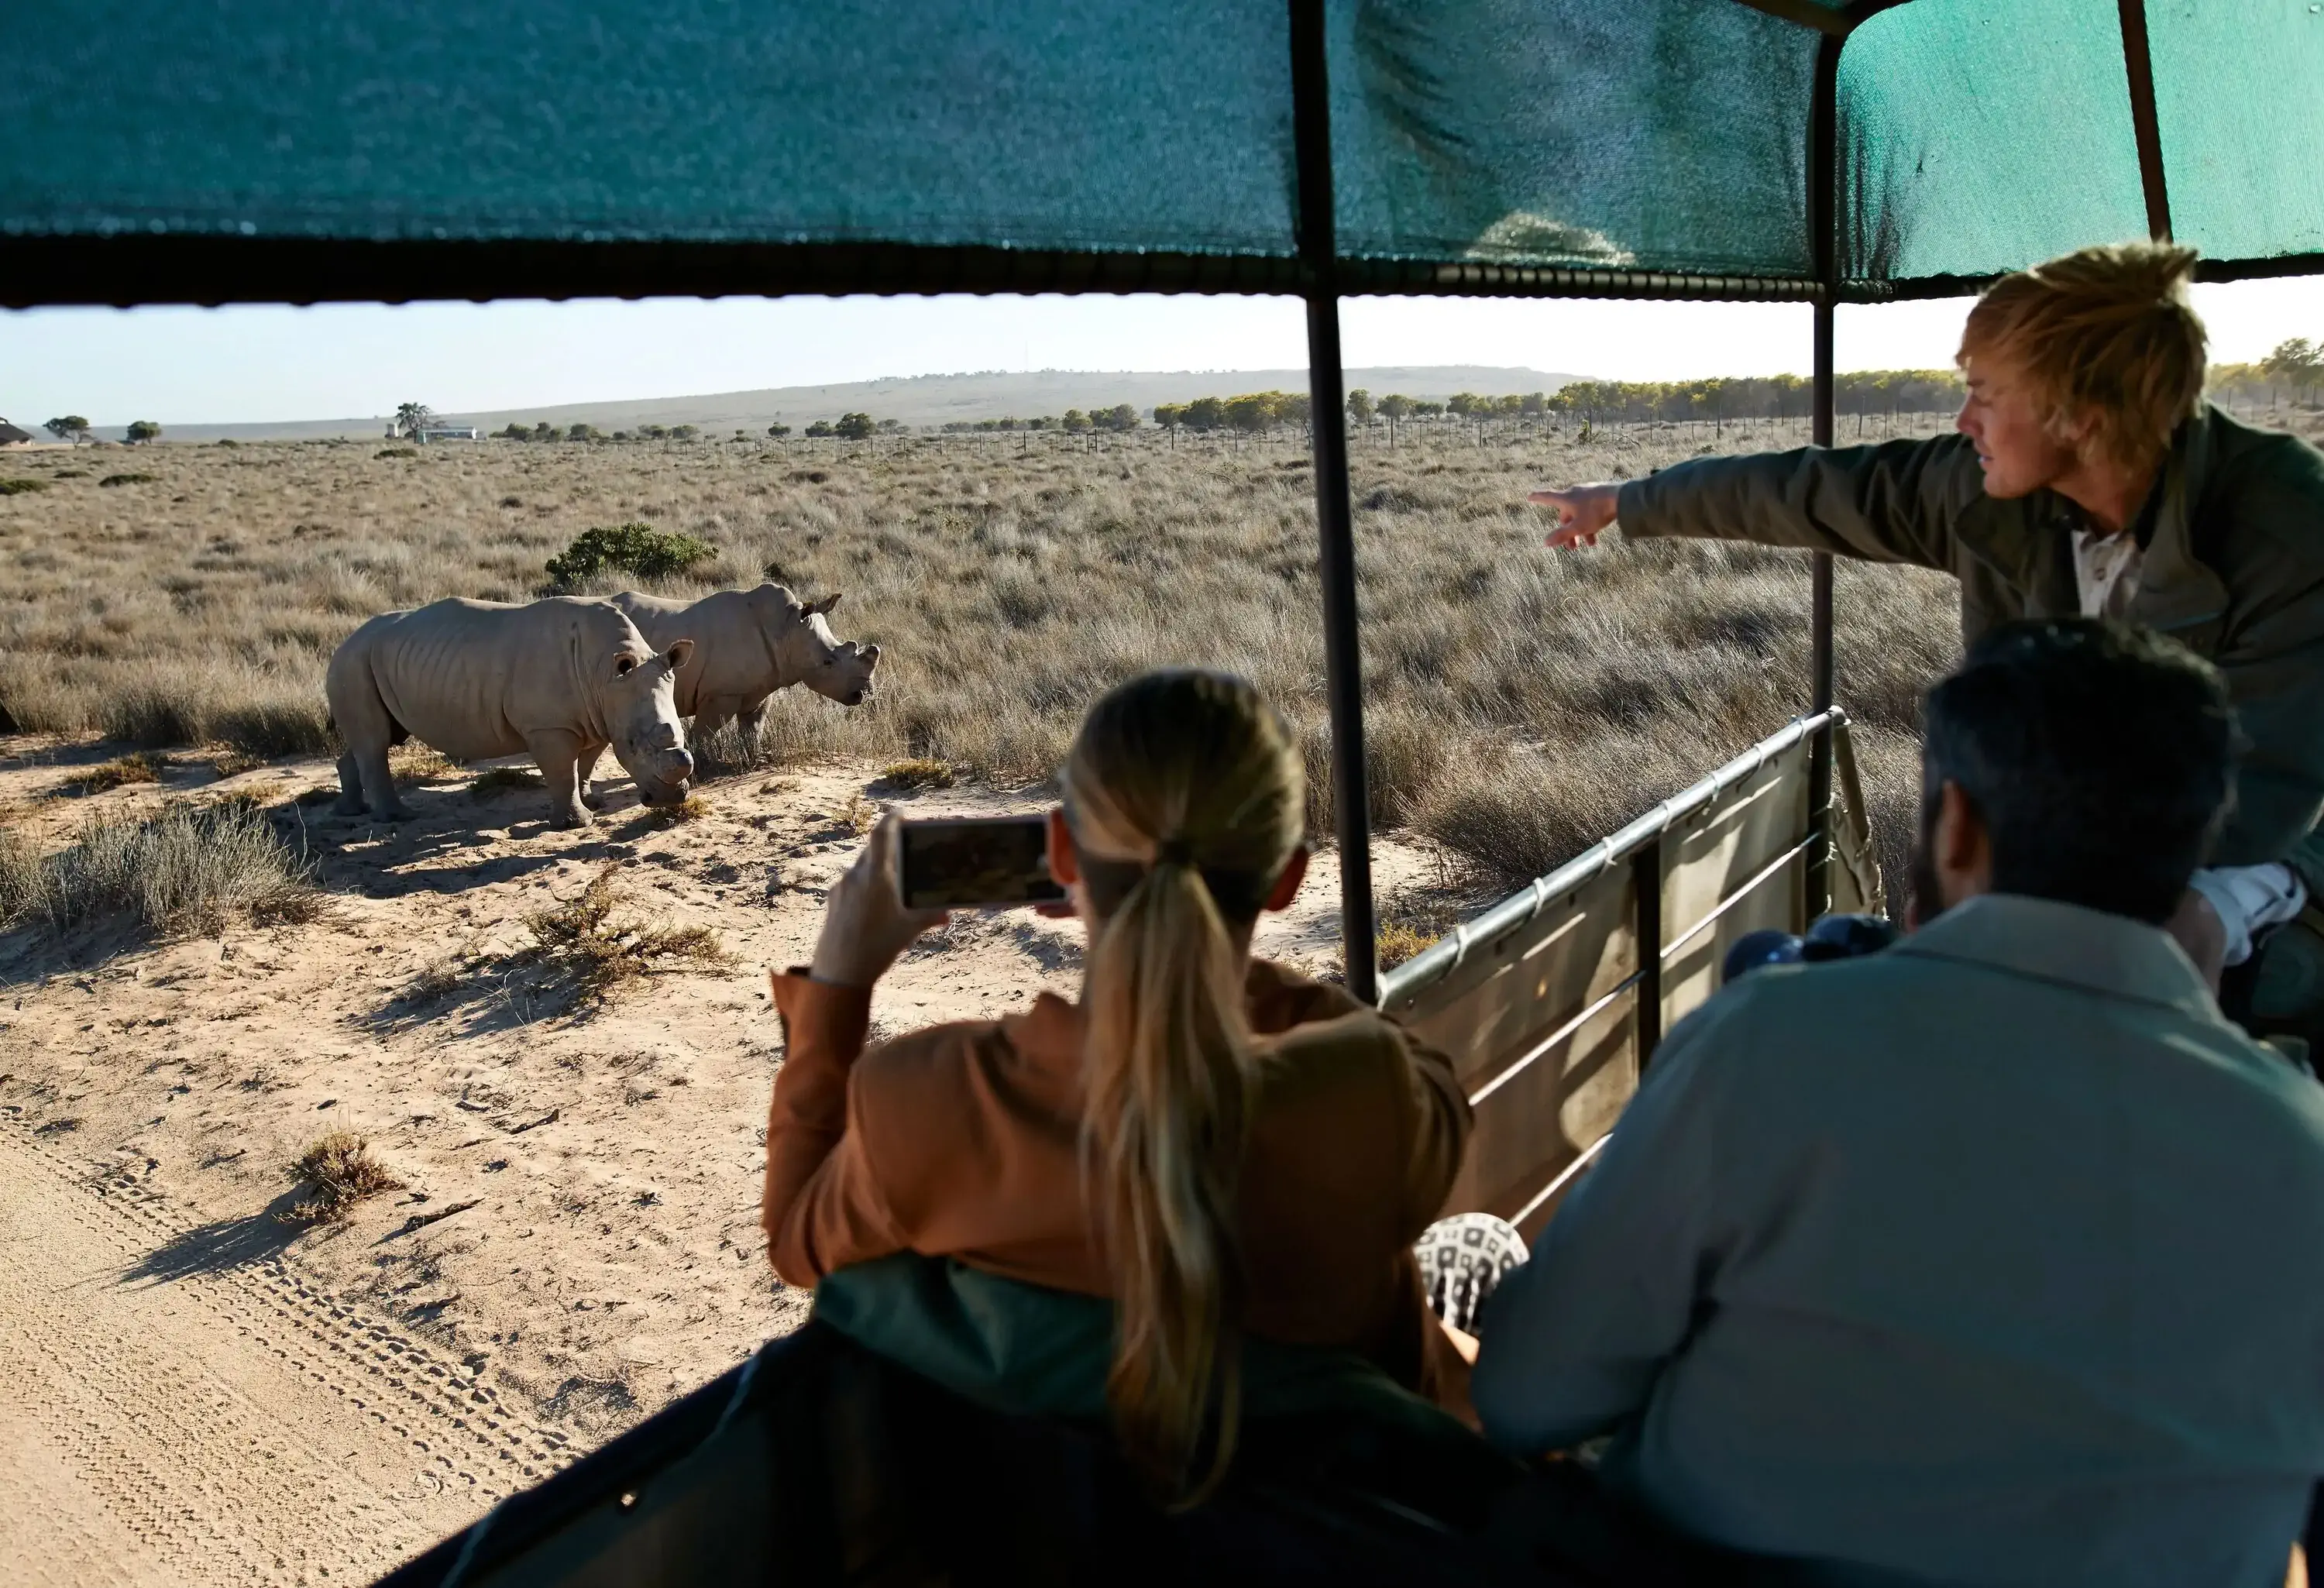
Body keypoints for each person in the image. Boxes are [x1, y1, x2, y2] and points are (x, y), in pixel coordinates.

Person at [1470, 620, 2324, 1586]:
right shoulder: (2300, 1145)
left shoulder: (1769, 1048)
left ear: (1956, 825)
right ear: (2192, 844)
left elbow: (1529, 1394)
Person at [1532, 242, 2324, 1013]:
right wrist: (1627, 502)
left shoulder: (2287, 528)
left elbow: (2260, 794)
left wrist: (2036, 900)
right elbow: (1806, 491)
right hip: (2053, 870)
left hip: (2260, 880)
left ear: (2079, 416)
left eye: (1984, 391)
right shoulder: (1983, 493)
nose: (1962, 418)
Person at [760, 668, 1472, 1502]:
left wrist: (840, 981)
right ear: (1285, 881)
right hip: (1342, 1540)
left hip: (1061, 1537)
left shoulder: (920, 1101)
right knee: (1477, 1255)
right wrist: (1202, 951)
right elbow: (1419, 1079)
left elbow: (795, 1241)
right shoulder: (1373, 1098)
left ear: (1063, 853)